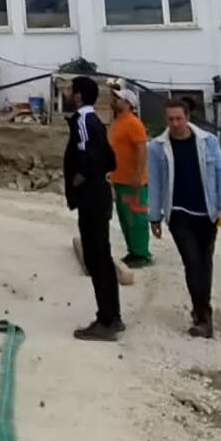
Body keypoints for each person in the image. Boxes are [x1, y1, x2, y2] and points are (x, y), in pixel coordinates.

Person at [148, 97, 221, 338]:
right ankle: (202, 316)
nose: (175, 123)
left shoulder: (209, 142)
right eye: (170, 119)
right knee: (192, 263)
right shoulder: (157, 148)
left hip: (206, 213)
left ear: (187, 117)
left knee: (205, 264)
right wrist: (154, 216)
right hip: (178, 215)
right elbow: (155, 183)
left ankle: (203, 312)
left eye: (179, 118)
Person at [65, 74, 123, 340]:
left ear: (78, 96)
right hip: (95, 194)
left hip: (92, 195)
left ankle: (107, 320)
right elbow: (109, 158)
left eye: (70, 90)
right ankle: (113, 316)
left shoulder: (84, 122)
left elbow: (98, 158)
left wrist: (81, 177)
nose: (67, 94)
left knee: (96, 257)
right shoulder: (92, 122)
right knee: (101, 256)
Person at [107, 83, 152, 268]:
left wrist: (137, 175)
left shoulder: (133, 123)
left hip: (133, 181)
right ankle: (133, 251)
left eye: (118, 98)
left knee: (137, 218)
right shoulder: (118, 123)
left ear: (127, 103)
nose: (114, 101)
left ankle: (142, 253)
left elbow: (142, 149)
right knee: (125, 218)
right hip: (120, 178)